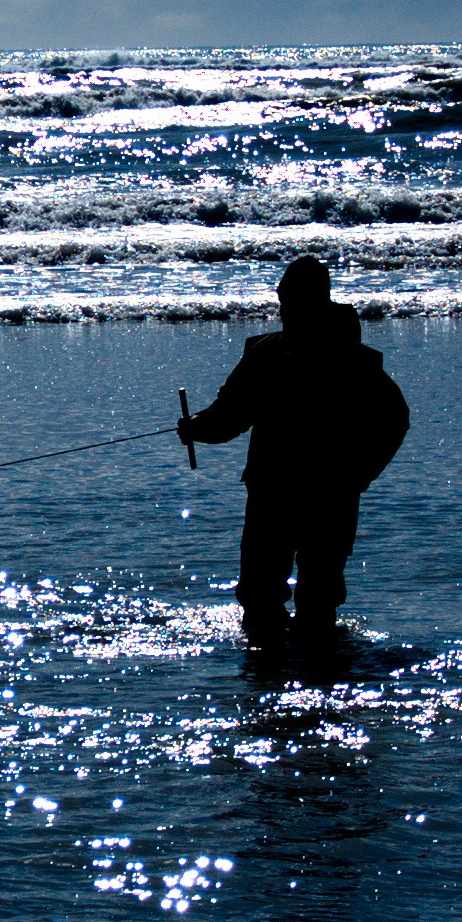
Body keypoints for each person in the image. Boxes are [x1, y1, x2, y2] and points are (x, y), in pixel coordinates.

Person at [180, 256, 411, 660]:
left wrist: (359, 474)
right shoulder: (269, 352)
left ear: (315, 300)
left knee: (313, 599)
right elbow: (230, 415)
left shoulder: (348, 358)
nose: (283, 306)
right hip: (281, 491)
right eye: (283, 298)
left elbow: (394, 419)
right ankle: (286, 677)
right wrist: (199, 426)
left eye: (290, 298)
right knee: (263, 597)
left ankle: (301, 682)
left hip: (323, 493)